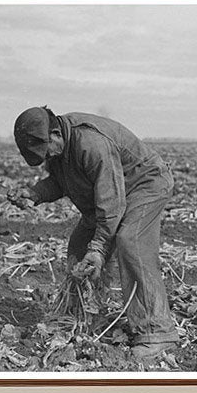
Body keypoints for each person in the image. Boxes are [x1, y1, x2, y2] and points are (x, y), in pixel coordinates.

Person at [10, 106, 178, 359]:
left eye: (45, 153)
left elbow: (111, 202)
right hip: (111, 192)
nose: (46, 159)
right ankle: (80, 317)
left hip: (145, 183)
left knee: (130, 241)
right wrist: (34, 194)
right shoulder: (59, 148)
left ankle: (158, 331)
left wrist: (99, 248)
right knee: (79, 247)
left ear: (55, 134)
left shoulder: (91, 144)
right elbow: (60, 181)